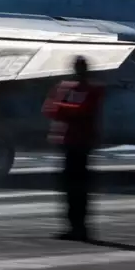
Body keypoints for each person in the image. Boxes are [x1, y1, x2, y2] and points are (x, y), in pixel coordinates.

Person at [42, 55, 105, 241]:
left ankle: (81, 227)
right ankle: (72, 226)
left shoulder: (90, 90)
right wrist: (67, 108)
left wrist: (63, 107)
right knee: (69, 188)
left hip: (81, 143)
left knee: (78, 188)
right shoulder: (70, 88)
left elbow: (80, 110)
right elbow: (50, 109)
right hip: (68, 142)